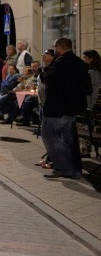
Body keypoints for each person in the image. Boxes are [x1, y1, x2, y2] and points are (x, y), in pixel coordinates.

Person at [38, 37, 91, 179]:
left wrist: (43, 72)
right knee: (69, 140)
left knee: (49, 135)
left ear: (60, 47)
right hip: (73, 108)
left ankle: (62, 167)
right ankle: (75, 170)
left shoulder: (60, 62)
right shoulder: (80, 63)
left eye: (55, 47)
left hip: (58, 108)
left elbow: (48, 78)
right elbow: (88, 88)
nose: (54, 50)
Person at [79, 49, 101, 156]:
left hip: (89, 103)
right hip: (90, 102)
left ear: (91, 59)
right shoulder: (93, 71)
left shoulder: (92, 72)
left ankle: (85, 149)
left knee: (85, 126)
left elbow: (90, 90)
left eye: (85, 58)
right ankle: (85, 149)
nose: (83, 60)